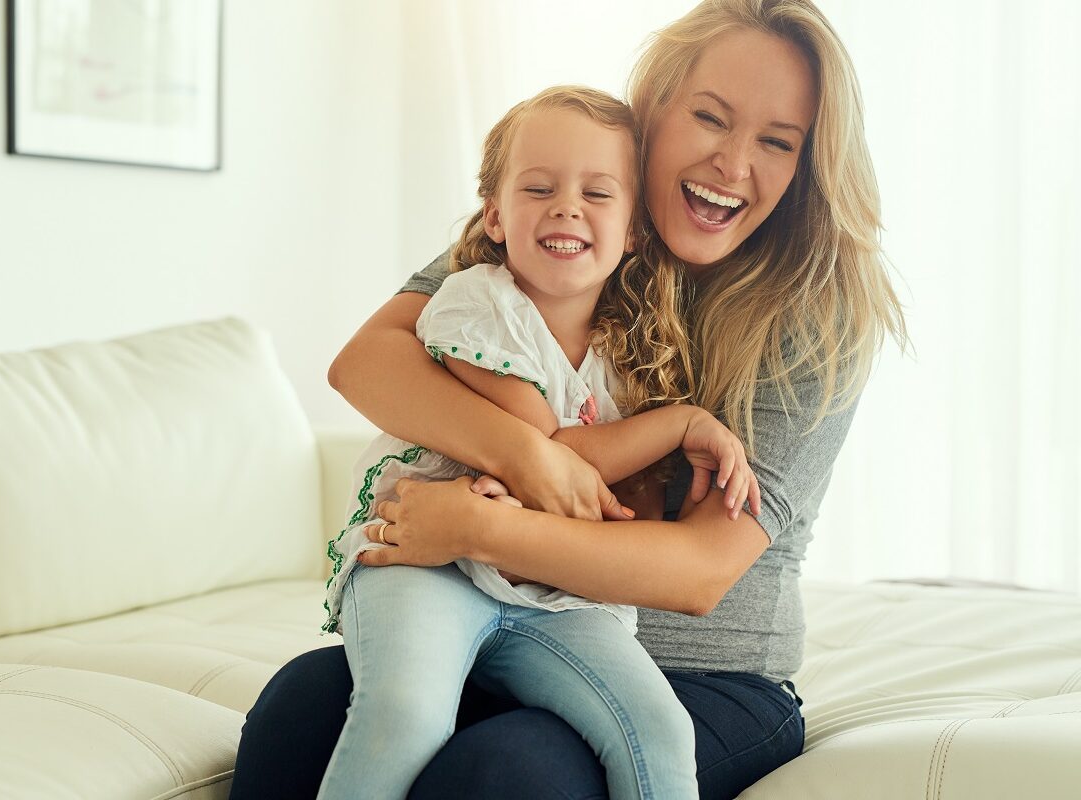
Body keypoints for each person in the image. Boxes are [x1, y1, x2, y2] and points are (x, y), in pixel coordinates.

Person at [230, 1, 907, 798]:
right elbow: (373, 363)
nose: (732, 163)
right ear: (651, 111)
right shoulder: (563, 220)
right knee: (298, 709)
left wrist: (481, 524)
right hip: (507, 616)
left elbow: (697, 573)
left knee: (503, 774)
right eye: (710, 118)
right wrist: (528, 456)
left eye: (776, 142)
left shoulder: (814, 314)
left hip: (703, 672)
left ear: (807, 167)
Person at [318, 85, 759, 800]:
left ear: (635, 231)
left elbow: (613, 508)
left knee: (660, 730)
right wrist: (682, 424)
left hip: (557, 598)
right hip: (428, 560)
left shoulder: (630, 354)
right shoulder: (474, 303)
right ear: (495, 215)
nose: (567, 206)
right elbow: (547, 450)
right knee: (406, 713)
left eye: (597, 192)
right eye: (539, 187)